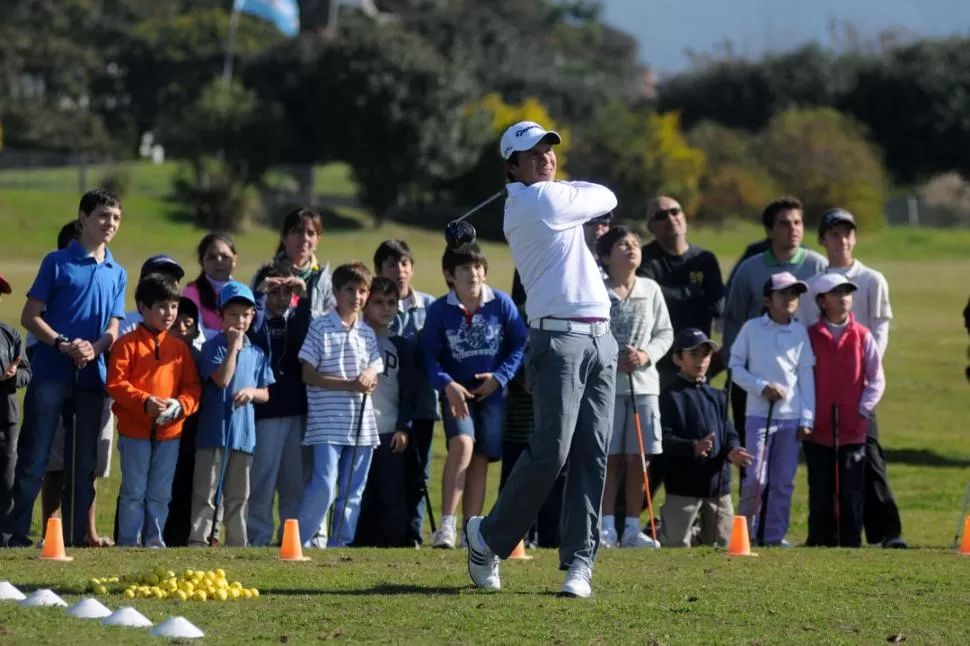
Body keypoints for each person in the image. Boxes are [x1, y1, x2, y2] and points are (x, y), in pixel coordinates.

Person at [466, 120, 618, 599]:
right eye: (532, 155)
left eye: (548, 150)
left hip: (601, 338)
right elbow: (605, 197)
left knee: (592, 453)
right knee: (551, 452)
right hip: (557, 340)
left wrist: (572, 191)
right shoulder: (536, 203)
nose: (546, 159)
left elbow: (605, 196)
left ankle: (579, 564)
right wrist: (572, 191)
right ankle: (487, 537)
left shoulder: (550, 197)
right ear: (512, 167)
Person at [2, 188, 126, 548]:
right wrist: (62, 343)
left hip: (91, 375)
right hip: (52, 374)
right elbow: (30, 316)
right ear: (83, 218)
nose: (110, 223)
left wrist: (95, 347)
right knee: (34, 457)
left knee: (82, 464)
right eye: (103, 215)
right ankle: (14, 535)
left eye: (116, 218)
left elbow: (113, 327)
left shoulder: (117, 271)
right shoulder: (56, 262)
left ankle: (71, 539)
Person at [805, 208, 906, 548]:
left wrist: (865, 366)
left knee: (869, 459)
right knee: (826, 467)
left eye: (848, 233)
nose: (842, 240)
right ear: (822, 240)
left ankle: (886, 532)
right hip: (825, 385)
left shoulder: (872, 279)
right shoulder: (815, 283)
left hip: (860, 385)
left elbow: (880, 326)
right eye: (834, 234)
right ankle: (832, 533)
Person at [420, 243, 527, 549]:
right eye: (465, 268)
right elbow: (428, 355)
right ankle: (446, 527)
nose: (474, 273)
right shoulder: (440, 309)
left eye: (478, 266)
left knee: (480, 458)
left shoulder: (502, 304)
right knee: (463, 444)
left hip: (492, 393)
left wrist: (500, 378)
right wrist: (447, 385)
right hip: (457, 393)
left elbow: (519, 344)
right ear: (449, 275)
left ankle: (471, 531)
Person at [722, 196, 826, 450]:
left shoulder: (818, 267)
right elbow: (734, 318)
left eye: (798, 222)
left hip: (801, 375)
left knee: (792, 456)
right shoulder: (749, 269)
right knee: (752, 455)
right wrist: (738, 370)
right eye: (784, 224)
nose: (793, 230)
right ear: (769, 230)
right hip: (755, 378)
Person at [106, 274, 202, 547]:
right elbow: (116, 384)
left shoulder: (180, 349)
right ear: (142, 308)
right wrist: (144, 401)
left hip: (170, 433)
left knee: (160, 493)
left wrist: (180, 405)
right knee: (134, 491)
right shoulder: (126, 344)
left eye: (173, 306)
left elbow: (193, 387)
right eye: (161, 306)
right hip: (134, 430)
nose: (169, 313)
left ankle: (154, 542)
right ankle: (128, 542)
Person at [596, 225, 673, 550]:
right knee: (610, 457)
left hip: (644, 387)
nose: (631, 249)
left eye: (635, 244)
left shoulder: (651, 288)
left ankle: (631, 527)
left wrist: (645, 355)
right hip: (608, 388)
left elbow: (665, 333)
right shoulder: (597, 289)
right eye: (622, 245)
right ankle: (606, 527)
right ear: (605, 256)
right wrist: (612, 358)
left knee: (637, 459)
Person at [297, 262, 383, 548]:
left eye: (362, 291)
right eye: (350, 290)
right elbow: (307, 374)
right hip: (327, 424)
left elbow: (374, 369)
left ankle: (340, 544)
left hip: (361, 427)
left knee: (352, 491)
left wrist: (370, 374)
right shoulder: (320, 326)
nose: (356, 297)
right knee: (324, 485)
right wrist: (349, 384)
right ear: (335, 292)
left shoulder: (367, 333)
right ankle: (301, 542)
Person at [729, 272, 815, 547]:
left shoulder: (799, 332)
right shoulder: (752, 329)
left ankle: (774, 535)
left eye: (795, 294)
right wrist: (761, 386)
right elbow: (735, 367)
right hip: (758, 415)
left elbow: (806, 378)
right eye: (784, 293)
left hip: (790, 417)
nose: (790, 299)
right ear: (768, 299)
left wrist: (807, 417)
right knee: (755, 478)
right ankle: (747, 532)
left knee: (782, 482)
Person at [189, 282, 273, 547]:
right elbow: (223, 380)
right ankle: (200, 541)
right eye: (233, 314)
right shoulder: (213, 348)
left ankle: (238, 543)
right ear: (221, 316)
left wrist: (251, 392)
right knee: (207, 492)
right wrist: (233, 348)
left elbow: (265, 393)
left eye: (246, 315)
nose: (240, 320)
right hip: (214, 434)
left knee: (239, 495)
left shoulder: (257, 352)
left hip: (243, 436)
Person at [805, 273, 886, 548]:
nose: (844, 298)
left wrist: (863, 409)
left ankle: (851, 540)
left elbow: (876, 379)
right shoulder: (810, 335)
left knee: (851, 489)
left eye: (847, 293)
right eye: (837, 293)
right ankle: (819, 539)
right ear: (822, 301)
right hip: (819, 426)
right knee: (820, 487)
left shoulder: (863, 335)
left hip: (853, 427)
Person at [659, 329, 752, 547]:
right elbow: (663, 439)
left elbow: (729, 433)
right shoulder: (669, 396)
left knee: (723, 544)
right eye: (694, 354)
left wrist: (732, 450)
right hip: (683, 486)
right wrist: (692, 447)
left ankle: (700, 535)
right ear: (677, 358)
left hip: (717, 486)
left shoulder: (717, 395)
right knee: (675, 545)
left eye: (706, 354)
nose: (701, 360)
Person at [373, 239, 438, 546]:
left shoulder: (429, 306)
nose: (398, 271)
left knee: (419, 474)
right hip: (386, 407)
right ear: (379, 271)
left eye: (404, 264)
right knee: (388, 476)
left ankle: (414, 534)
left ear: (412, 268)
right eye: (390, 265)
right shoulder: (376, 309)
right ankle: (386, 533)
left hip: (422, 404)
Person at [245, 262, 311, 546]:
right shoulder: (257, 319)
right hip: (266, 413)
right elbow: (256, 334)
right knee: (262, 480)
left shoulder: (294, 319)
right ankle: (258, 537)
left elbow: (303, 340)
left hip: (295, 411)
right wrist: (258, 295)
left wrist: (304, 298)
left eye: (287, 292)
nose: (282, 299)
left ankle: (289, 538)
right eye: (274, 292)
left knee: (294, 482)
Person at [637, 196, 725, 388]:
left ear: (684, 216)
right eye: (661, 215)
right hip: (659, 362)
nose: (670, 218)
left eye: (675, 211)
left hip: (697, 363)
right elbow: (648, 296)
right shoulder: (645, 259)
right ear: (651, 227)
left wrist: (673, 296)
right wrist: (692, 293)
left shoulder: (705, 259)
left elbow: (718, 305)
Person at [355, 277, 417, 547]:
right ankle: (355, 541)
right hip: (357, 431)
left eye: (391, 302)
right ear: (365, 304)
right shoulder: (353, 337)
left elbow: (408, 392)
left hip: (389, 429)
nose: (386, 308)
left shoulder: (401, 346)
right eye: (378, 302)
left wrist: (404, 427)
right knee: (360, 492)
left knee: (389, 492)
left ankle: (391, 544)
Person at [499, 301, 565, 549]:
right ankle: (514, 537)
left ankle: (551, 537)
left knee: (553, 470)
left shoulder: (562, 307)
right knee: (517, 473)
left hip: (551, 408)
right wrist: (523, 378)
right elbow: (507, 352)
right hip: (520, 412)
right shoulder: (516, 314)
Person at [163, 297, 204, 547]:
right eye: (176, 324)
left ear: (197, 329)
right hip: (160, 432)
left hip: (192, 433)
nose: (182, 330)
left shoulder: (200, 357)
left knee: (186, 485)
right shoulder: (158, 355)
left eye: (188, 324)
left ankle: (180, 538)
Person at [253, 207, 335, 316]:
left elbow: (331, 320)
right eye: (298, 231)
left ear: (317, 240)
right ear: (284, 237)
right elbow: (249, 314)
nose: (305, 238)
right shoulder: (265, 275)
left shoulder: (324, 279)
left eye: (310, 233)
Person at [0, 273, 32, 519]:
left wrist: (12, 375)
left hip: (5, 417)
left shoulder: (10, 335)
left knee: (6, 476)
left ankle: (5, 536)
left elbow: (26, 372)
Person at [183, 232, 239, 340]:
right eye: (211, 257)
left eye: (225, 256)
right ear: (201, 262)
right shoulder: (192, 292)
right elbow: (194, 332)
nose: (219, 261)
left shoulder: (241, 291)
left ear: (235, 259)